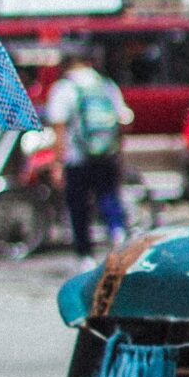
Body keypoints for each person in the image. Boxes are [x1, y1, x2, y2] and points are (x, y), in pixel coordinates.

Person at [45, 41, 132, 264]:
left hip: (77, 159)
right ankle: (118, 233)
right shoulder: (106, 85)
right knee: (108, 196)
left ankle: (85, 255)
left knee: (78, 206)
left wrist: (57, 164)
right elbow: (122, 121)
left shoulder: (64, 88)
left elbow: (59, 128)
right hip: (106, 154)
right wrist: (118, 151)